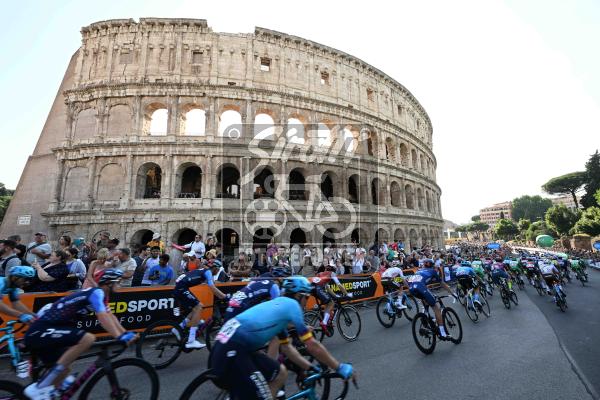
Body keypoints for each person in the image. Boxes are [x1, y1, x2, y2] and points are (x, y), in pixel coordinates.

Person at [209, 276, 355, 400]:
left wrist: (310, 367)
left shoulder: (279, 308)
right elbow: (312, 345)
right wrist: (339, 367)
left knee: (281, 373)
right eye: (306, 298)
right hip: (234, 350)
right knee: (263, 394)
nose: (306, 302)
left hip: (228, 347)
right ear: (298, 296)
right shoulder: (292, 306)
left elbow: (287, 348)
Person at [24, 269, 137, 400]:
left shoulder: (101, 296)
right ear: (108, 283)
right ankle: (39, 387)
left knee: (64, 371)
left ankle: (46, 393)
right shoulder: (97, 292)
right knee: (88, 338)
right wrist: (120, 336)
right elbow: (102, 317)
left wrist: (125, 333)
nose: (120, 285)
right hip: (41, 329)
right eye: (118, 282)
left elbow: (110, 316)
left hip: (45, 330)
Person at [172, 260, 228, 349]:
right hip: (181, 288)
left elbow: (212, 285)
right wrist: (225, 297)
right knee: (199, 307)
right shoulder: (208, 272)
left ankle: (178, 328)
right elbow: (212, 288)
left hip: (180, 287)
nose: (218, 272)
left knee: (196, 309)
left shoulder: (203, 271)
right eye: (218, 269)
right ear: (215, 268)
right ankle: (191, 340)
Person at [406, 258, 456, 339]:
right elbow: (442, 283)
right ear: (432, 265)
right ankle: (443, 333)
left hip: (412, 288)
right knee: (436, 309)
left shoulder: (418, 271)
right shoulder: (432, 271)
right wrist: (452, 293)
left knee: (425, 299)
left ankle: (426, 317)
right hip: (420, 288)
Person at [310, 264, 351, 336]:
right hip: (318, 288)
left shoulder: (322, 273)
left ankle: (325, 322)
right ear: (333, 270)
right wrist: (347, 294)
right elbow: (339, 285)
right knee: (331, 303)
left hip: (312, 288)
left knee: (328, 304)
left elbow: (327, 288)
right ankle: (324, 322)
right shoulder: (332, 273)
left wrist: (335, 296)